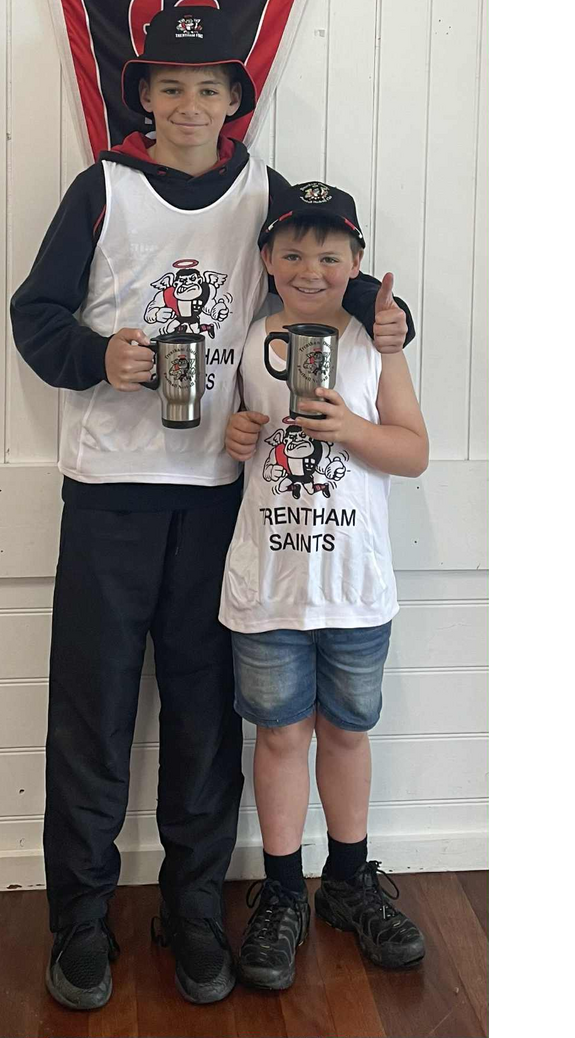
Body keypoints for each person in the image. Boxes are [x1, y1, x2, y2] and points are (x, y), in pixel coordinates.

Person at [9, 6, 415, 1010]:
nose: (189, 105)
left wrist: (387, 314)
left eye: (208, 88)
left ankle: (192, 911)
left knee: (201, 718)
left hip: (218, 499)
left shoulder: (263, 193)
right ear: (143, 98)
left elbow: (326, 264)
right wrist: (97, 356)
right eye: (170, 87)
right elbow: (34, 315)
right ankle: (80, 919)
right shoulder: (101, 188)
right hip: (108, 493)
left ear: (234, 100)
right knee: (93, 717)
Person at [219, 181, 430, 990]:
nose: (311, 269)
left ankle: (347, 881)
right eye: (294, 253)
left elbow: (413, 451)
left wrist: (353, 429)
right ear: (268, 260)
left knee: (345, 732)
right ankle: (282, 893)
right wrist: (239, 435)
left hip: (355, 585)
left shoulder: (377, 343)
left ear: (357, 262)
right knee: (279, 737)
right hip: (270, 584)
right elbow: (233, 439)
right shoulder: (249, 341)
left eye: (330, 255)